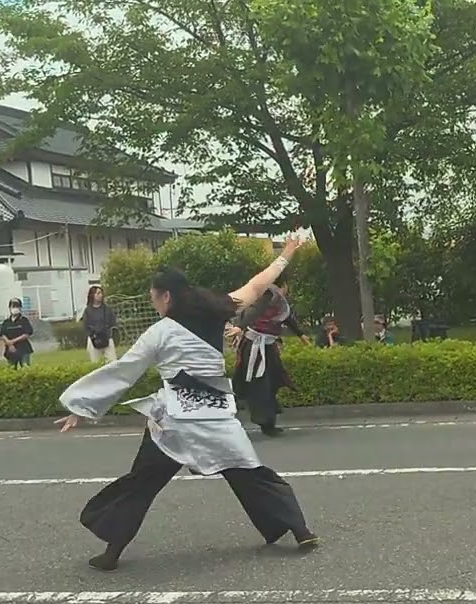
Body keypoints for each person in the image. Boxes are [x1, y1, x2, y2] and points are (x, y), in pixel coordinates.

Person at [55, 235, 318, 572]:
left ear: (166, 296)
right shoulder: (216, 311)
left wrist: (80, 406)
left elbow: (123, 371)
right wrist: (287, 253)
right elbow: (257, 285)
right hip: (216, 416)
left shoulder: (160, 332)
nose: (153, 303)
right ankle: (300, 529)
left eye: (153, 297)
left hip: (175, 421)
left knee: (142, 481)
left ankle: (113, 551)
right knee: (250, 473)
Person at [233, 278, 308, 437]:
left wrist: (300, 334)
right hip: (254, 346)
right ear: (284, 285)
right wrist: (239, 327)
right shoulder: (267, 294)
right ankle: (265, 423)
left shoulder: (278, 300)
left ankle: (267, 419)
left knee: (272, 381)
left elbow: (287, 318)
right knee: (260, 384)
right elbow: (255, 311)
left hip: (267, 345)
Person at [82, 286, 119, 363]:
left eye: (101, 293)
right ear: (93, 295)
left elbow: (113, 322)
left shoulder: (107, 309)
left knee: (113, 361)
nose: (101, 295)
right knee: (95, 363)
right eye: (98, 293)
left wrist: (110, 333)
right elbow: (86, 325)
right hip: (94, 339)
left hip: (107, 337)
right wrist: (92, 334)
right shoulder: (88, 311)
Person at [0, 299, 34, 367]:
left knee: (25, 367)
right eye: (13, 306)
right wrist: (9, 344)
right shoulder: (6, 322)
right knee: (11, 367)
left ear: (20, 308)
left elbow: (27, 334)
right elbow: (2, 334)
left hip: (23, 348)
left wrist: (13, 341)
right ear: (9, 308)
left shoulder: (24, 320)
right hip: (10, 349)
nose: (15, 308)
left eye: (17, 306)